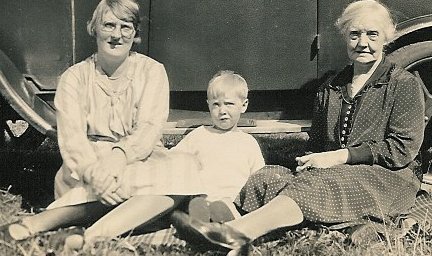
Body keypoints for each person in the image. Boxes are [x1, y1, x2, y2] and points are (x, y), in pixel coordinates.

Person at [171, 0, 426, 253]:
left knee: (316, 187)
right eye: (354, 34)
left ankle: (234, 233)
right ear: (345, 37)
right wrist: (312, 160)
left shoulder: (401, 83)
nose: (363, 43)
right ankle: (234, 225)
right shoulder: (332, 87)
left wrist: (340, 156)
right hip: (334, 171)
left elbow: (402, 148)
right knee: (267, 177)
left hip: (386, 175)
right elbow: (317, 142)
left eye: (372, 34)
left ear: (386, 38)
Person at [0, 0, 203, 243]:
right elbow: (72, 140)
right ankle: (46, 222)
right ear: (94, 28)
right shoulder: (74, 78)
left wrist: (119, 156)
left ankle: (86, 236)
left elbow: (149, 128)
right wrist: (96, 173)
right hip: (90, 165)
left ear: (135, 34)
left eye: (125, 27)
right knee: (167, 190)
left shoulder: (152, 71)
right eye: (108, 25)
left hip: (136, 158)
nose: (116, 35)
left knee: (187, 167)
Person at [170, 71, 265, 223]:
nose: (222, 111)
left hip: (234, 200)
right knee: (198, 203)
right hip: (203, 195)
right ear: (208, 105)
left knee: (226, 205)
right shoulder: (199, 135)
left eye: (229, 104)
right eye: (216, 104)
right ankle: (201, 220)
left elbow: (259, 176)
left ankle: (225, 221)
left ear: (244, 105)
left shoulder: (247, 142)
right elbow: (175, 158)